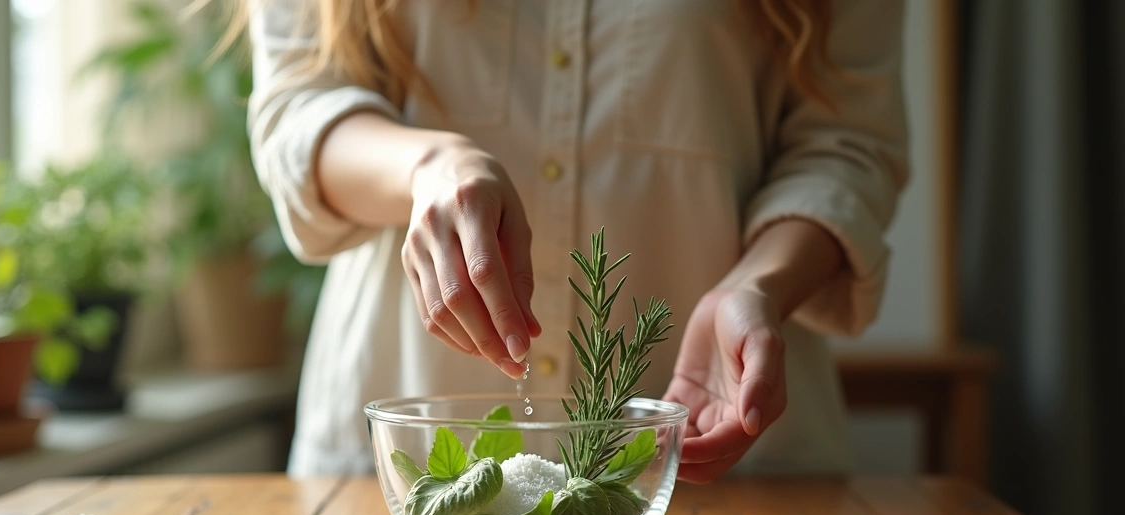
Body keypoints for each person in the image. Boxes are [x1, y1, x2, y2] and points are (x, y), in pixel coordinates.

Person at [242, 0, 908, 482]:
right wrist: (428, 170)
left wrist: (755, 286)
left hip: (725, 456)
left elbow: (847, 148)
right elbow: (298, 109)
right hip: (393, 461)